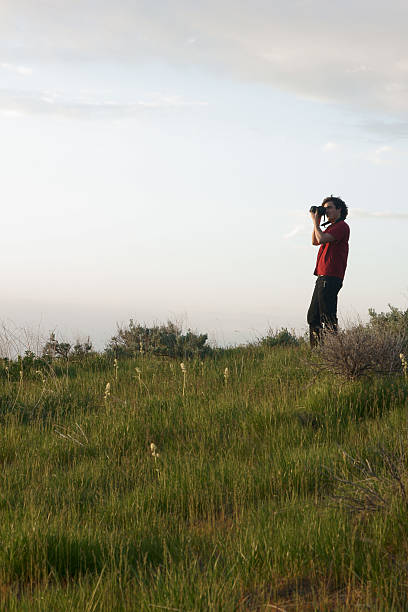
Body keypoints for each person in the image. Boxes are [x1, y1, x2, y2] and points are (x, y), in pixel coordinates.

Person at [307, 195, 349, 347]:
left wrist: (314, 222)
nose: (326, 210)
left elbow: (322, 239)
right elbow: (315, 241)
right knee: (313, 317)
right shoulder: (330, 227)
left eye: (329, 207)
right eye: (325, 208)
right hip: (322, 276)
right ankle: (317, 352)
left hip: (331, 276)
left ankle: (335, 351)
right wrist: (317, 223)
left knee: (328, 316)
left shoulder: (342, 226)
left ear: (339, 210)